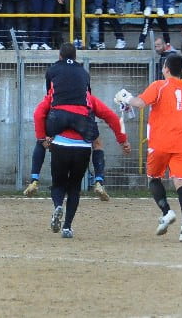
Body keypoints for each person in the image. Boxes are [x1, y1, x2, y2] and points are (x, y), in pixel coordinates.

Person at [119, 53, 182, 242]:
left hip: (160, 142)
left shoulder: (159, 86)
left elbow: (139, 104)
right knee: (181, 182)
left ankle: (167, 212)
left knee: (153, 178)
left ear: (166, 69)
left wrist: (126, 97)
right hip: (181, 143)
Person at [33, 82, 128, 238]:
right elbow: (112, 117)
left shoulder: (56, 96)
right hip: (82, 148)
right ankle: (67, 227)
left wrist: (42, 137)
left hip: (61, 145)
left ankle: (57, 206)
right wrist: (123, 140)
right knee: (74, 187)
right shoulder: (89, 98)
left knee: (58, 184)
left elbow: (38, 114)